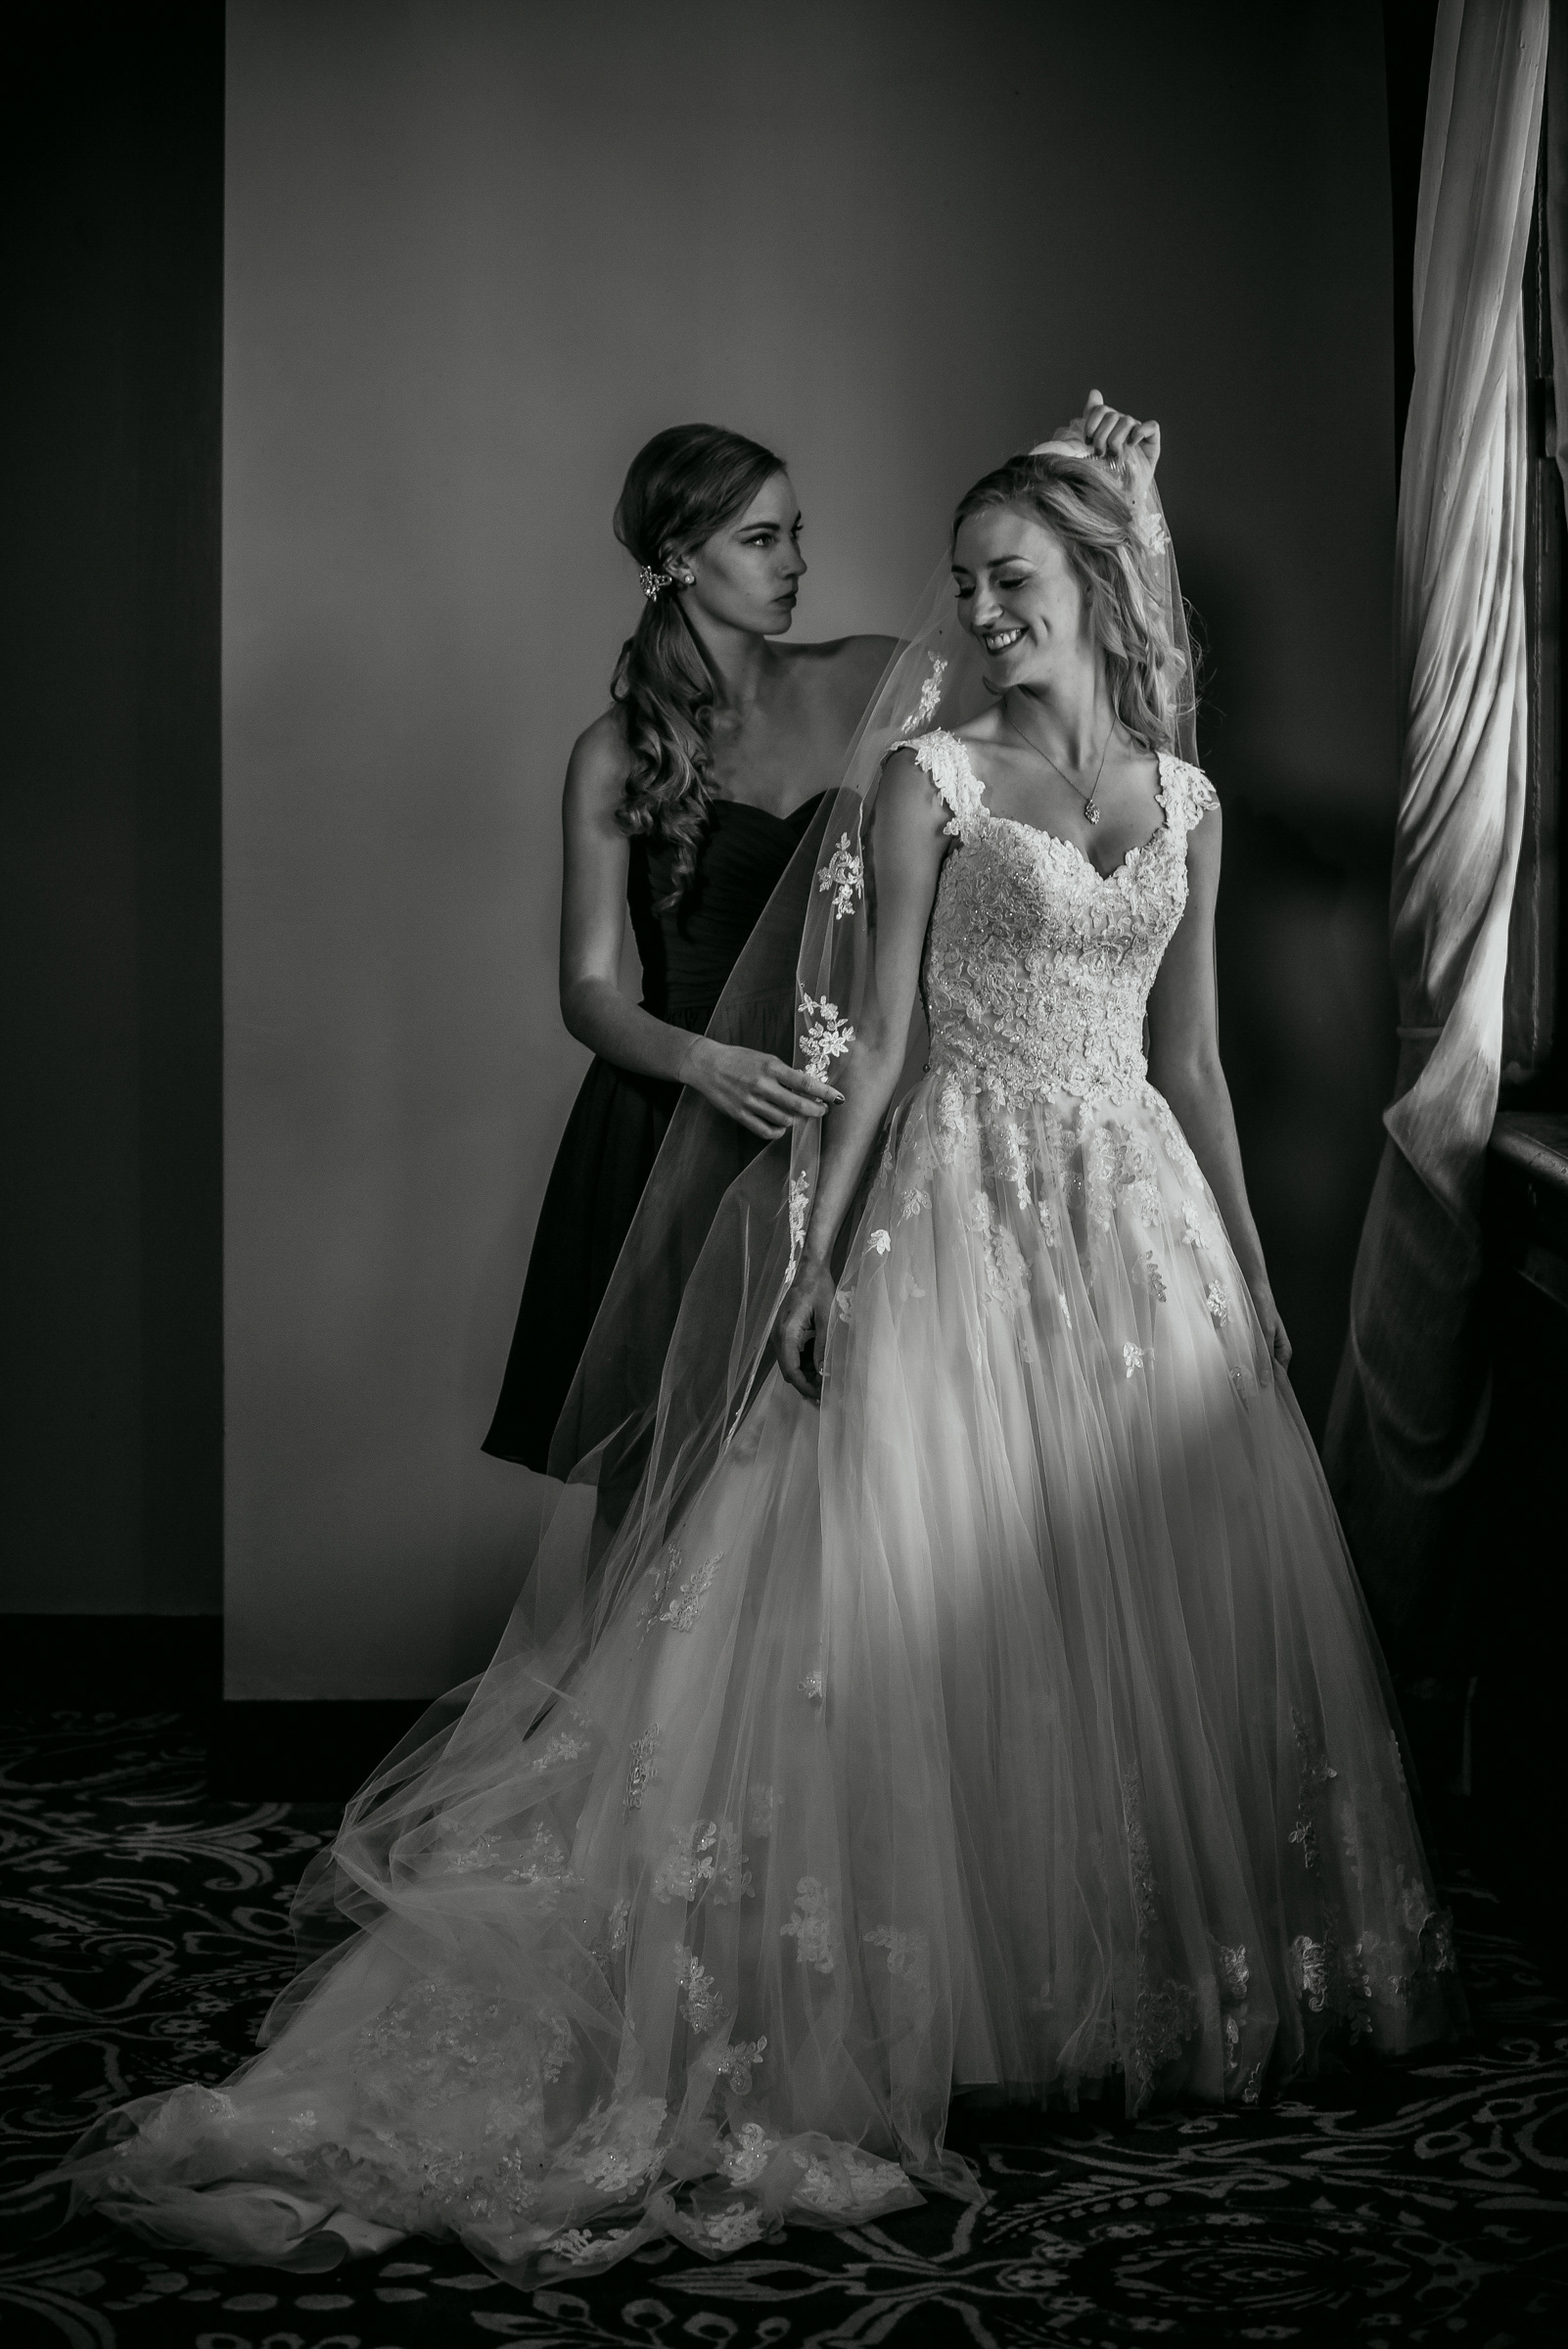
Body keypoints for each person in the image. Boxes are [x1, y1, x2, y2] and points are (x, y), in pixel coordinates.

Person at [64, 424, 1463, 2283]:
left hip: (1134, 1223)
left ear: (1090, 584)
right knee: (920, 1584)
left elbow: (1190, 1060)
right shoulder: (927, 777)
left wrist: (1253, 1264)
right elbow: (873, 1049)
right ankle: (924, 2001)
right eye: (961, 581)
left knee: (1115, 1598)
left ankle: (1086, 1984)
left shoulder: (1183, 798)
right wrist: (810, 1263)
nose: (974, 608)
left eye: (1009, 579)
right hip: (957, 1199)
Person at [484, 402, 1152, 1469]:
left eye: (794, 533)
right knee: (655, 1466)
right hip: (678, 1112)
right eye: (761, 539)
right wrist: (703, 1064)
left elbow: (1063, 674)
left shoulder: (879, 677)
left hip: (839, 1099)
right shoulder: (613, 752)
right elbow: (587, 988)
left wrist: (1098, 488)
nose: (795, 562)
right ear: (678, 560)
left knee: (835, 1465)